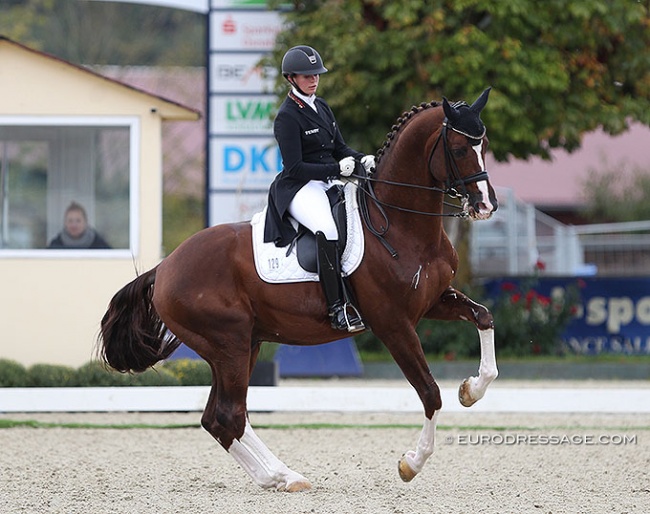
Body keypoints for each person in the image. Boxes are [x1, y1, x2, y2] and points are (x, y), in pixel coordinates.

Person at [264, 45, 375, 332]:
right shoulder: (287, 117)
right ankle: (337, 308)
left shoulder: (322, 106)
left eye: (316, 74)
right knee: (328, 230)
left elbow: (339, 147)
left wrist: (364, 158)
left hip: (328, 180)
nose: (313, 79)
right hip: (299, 187)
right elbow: (294, 167)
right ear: (291, 78)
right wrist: (336, 170)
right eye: (306, 75)